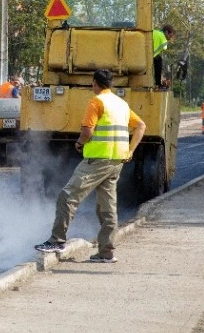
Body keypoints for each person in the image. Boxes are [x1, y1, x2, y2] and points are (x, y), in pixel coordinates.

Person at [34, 69, 146, 263]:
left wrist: (79, 143)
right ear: (110, 84)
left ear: (94, 83)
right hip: (116, 162)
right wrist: (130, 151)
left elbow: (87, 132)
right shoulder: (121, 104)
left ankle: (57, 240)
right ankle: (106, 252)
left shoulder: (96, 102)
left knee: (67, 196)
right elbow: (141, 126)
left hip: (96, 160)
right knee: (107, 207)